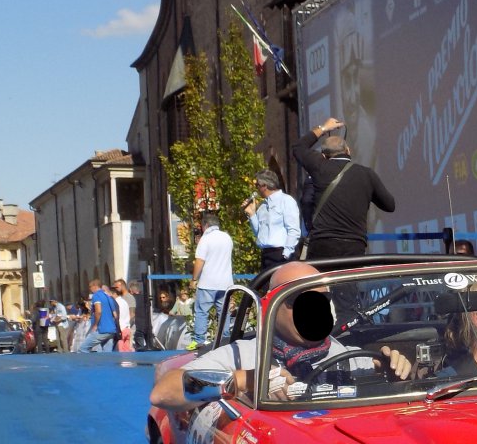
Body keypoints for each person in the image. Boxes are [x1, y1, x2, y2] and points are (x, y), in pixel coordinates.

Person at [150, 262, 412, 410]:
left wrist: (389, 368)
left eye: (322, 300)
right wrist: (248, 379)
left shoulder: (344, 355)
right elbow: (162, 393)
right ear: (271, 307)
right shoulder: (244, 353)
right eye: (300, 301)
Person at [291, 116, 396, 261]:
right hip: (354, 246)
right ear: (348, 150)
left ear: (323, 155)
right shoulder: (366, 174)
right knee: (349, 283)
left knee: (321, 283)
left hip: (322, 244)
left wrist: (323, 128)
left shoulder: (319, 166)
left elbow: (298, 147)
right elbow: (390, 205)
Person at [189, 211, 234, 350]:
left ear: (206, 225)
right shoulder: (227, 237)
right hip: (226, 282)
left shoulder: (206, 239)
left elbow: (200, 261)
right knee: (224, 311)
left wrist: (194, 279)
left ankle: (199, 339)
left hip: (208, 282)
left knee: (202, 311)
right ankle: (225, 339)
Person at [243, 169, 302, 273]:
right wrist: (251, 214)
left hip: (281, 254)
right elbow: (259, 233)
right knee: (266, 288)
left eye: (257, 185)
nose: (256, 188)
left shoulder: (286, 201)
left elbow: (293, 229)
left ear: (264, 185)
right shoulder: (262, 206)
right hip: (266, 255)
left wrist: (286, 254)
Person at [78, 278, 121, 353]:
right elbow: (115, 315)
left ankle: (88, 364)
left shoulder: (96, 296)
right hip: (111, 330)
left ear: (95, 286)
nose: (90, 289)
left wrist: (95, 325)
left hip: (102, 329)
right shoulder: (108, 296)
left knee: (83, 349)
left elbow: (98, 311)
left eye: (90, 287)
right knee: (107, 354)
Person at [112, 279, 136, 352]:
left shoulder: (129, 297)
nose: (115, 289)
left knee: (126, 349)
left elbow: (132, 313)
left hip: (127, 327)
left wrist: (125, 326)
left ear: (122, 286)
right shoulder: (121, 297)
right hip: (124, 327)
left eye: (116, 287)